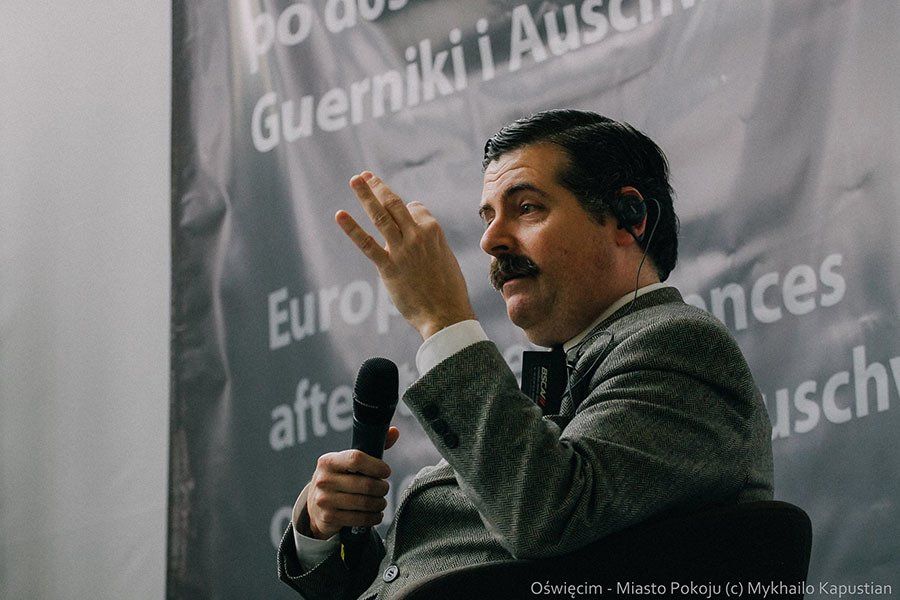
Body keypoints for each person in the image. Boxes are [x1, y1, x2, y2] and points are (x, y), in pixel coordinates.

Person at [277, 110, 774, 600]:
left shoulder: (678, 345)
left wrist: (442, 320)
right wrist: (322, 531)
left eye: (527, 208)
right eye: (488, 216)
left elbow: (545, 516)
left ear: (630, 218)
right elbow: (429, 571)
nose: (490, 241)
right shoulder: (564, 375)